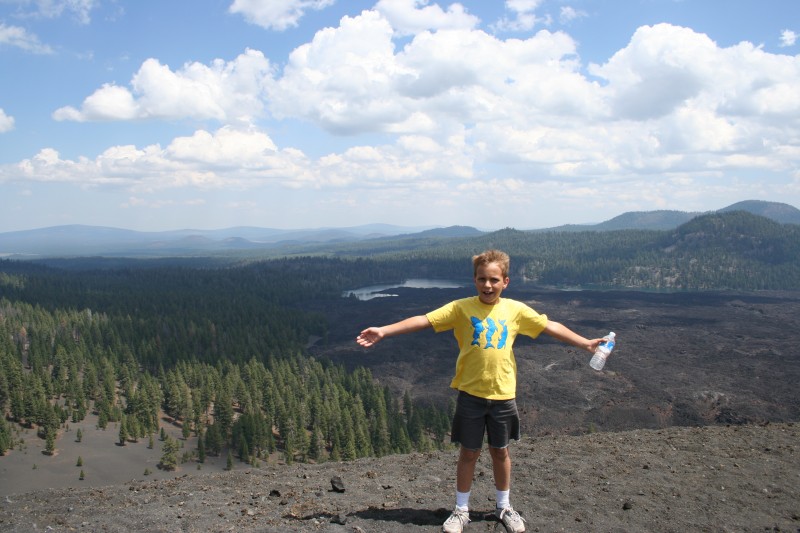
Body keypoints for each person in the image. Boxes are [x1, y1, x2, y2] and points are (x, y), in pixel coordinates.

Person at [356, 249, 607, 533]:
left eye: (494, 280)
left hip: (503, 396)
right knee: (469, 453)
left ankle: (504, 507)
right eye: (482, 279)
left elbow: (549, 326)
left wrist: (585, 343)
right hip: (471, 395)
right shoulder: (461, 308)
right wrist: (384, 331)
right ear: (474, 280)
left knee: (500, 452)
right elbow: (424, 320)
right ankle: (461, 510)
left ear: (506, 282)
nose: (488, 285)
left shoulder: (515, 310)